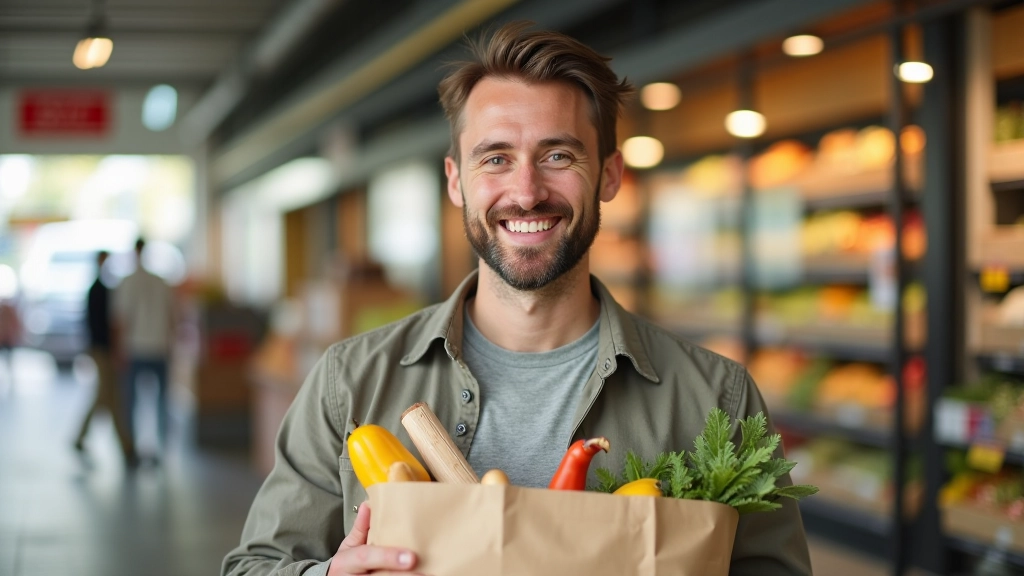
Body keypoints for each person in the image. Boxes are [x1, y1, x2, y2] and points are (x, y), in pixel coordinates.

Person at [223, 21, 811, 576]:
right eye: (496, 158)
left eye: (559, 156)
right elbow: (254, 565)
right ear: (456, 180)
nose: (526, 193)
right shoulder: (349, 384)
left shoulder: (716, 398)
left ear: (608, 175)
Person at [114, 238, 176, 458]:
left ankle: (132, 446)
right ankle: (162, 445)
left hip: (136, 347)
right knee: (161, 401)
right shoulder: (161, 282)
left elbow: (122, 319)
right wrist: (170, 342)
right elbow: (172, 317)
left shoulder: (128, 282)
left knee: (132, 401)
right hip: (159, 346)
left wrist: (120, 348)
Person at [73, 250, 136, 463]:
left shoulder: (104, 289)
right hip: (103, 350)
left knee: (110, 397)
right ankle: (124, 446)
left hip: (103, 349)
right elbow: (103, 324)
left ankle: (125, 446)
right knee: (107, 396)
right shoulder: (98, 290)